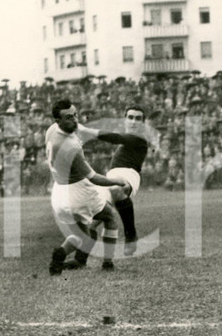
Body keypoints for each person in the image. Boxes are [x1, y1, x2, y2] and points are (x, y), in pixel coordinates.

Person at [45, 99, 129, 275]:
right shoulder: (70, 146)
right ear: (58, 120)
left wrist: (116, 137)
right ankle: (108, 264)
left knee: (86, 236)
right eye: (69, 117)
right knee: (110, 216)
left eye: (75, 114)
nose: (75, 120)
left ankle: (60, 254)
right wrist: (118, 181)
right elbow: (95, 178)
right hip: (77, 191)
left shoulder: (52, 130)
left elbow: (87, 131)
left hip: (59, 193)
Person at [72, 105, 156, 262]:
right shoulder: (127, 140)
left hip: (129, 175)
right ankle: (80, 259)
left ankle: (131, 234)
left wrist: (86, 130)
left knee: (118, 189)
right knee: (93, 219)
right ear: (125, 119)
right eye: (130, 117)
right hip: (110, 177)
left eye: (138, 118)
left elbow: (115, 137)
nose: (133, 121)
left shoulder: (139, 139)